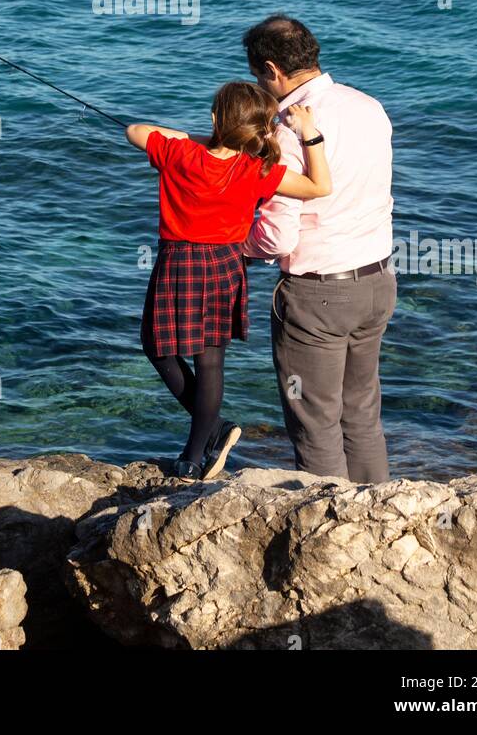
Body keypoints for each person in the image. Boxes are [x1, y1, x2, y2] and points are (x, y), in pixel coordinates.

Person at [126, 79, 331, 482]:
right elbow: (319, 186)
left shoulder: (179, 152)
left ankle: (200, 446)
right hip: (225, 263)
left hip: (177, 262)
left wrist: (204, 139)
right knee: (210, 359)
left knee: (157, 348)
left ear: (216, 119)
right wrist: (311, 134)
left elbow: (134, 130)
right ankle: (205, 438)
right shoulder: (258, 170)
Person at [242, 15, 395, 483]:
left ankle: (331, 532)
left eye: (257, 77)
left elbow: (279, 236)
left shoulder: (287, 133)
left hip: (319, 296)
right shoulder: (369, 106)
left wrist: (237, 242)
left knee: (315, 424)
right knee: (362, 414)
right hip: (377, 281)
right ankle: (378, 515)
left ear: (271, 69)